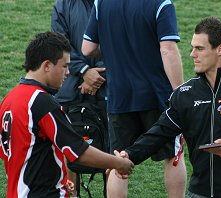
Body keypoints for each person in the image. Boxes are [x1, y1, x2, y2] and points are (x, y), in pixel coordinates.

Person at [118, 16, 221, 198]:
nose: (192, 54)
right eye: (192, 47)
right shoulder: (186, 94)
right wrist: (129, 154)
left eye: (199, 48)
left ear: (220, 49)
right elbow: (159, 132)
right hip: (198, 192)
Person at [0, 32, 133, 198]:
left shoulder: (9, 99)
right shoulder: (42, 102)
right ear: (47, 65)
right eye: (64, 66)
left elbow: (17, 153)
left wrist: (59, 179)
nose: (68, 72)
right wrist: (119, 163)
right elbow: (78, 152)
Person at [81, 0, 187, 197]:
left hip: (119, 95)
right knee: (173, 155)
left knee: (117, 161)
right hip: (157, 95)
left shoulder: (101, 3)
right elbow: (168, 49)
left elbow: (87, 48)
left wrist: (114, 49)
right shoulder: (161, 4)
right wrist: (180, 92)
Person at [51, 0, 109, 196]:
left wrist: (97, 75)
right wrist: (84, 71)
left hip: (107, 89)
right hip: (70, 90)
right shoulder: (63, 5)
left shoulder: (114, 4)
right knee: (67, 151)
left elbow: (118, 41)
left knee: (111, 151)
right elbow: (59, 43)